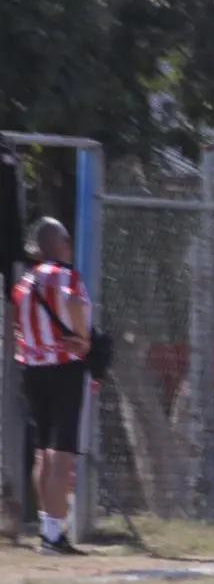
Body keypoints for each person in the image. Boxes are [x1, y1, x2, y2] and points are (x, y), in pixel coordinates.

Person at [11, 218, 92, 555]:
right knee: (61, 454)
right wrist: (83, 338)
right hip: (63, 369)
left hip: (33, 370)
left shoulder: (23, 282)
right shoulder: (66, 275)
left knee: (43, 450)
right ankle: (55, 536)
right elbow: (73, 302)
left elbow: (19, 326)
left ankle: (48, 530)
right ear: (62, 243)